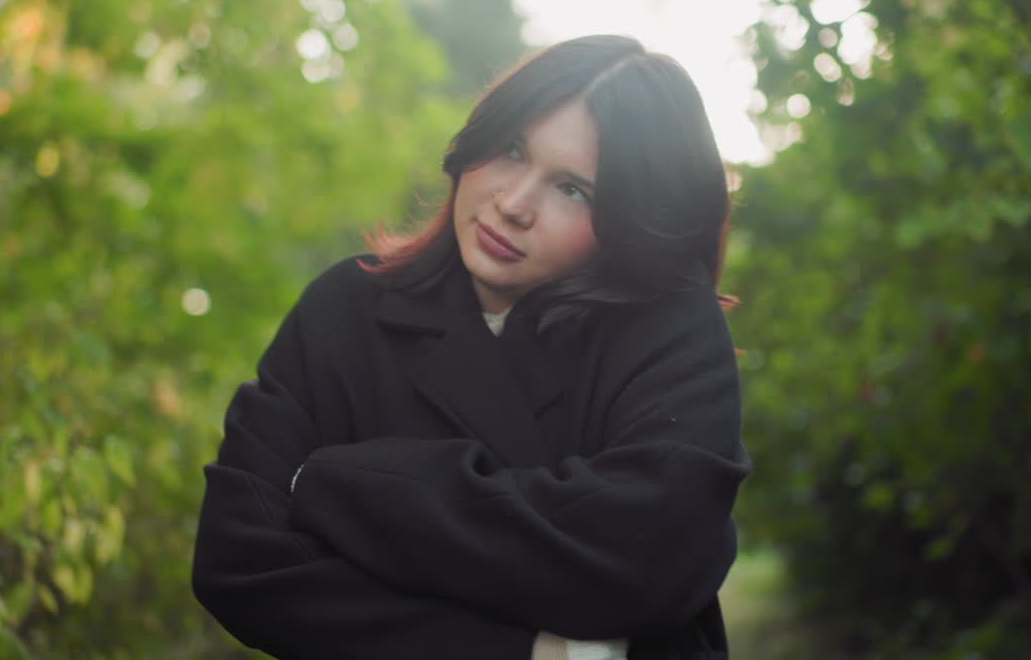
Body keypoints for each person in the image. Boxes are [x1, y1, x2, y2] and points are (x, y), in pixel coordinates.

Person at [192, 34, 750, 660]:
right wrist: (534, 651)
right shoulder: (347, 308)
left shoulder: (671, 333)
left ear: (633, 217)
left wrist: (341, 485)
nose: (512, 205)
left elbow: (650, 555)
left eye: (573, 189)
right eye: (511, 151)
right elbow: (240, 565)